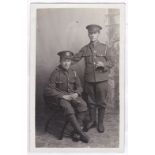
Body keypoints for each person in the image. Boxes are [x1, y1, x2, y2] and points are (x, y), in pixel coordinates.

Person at [72, 24, 113, 133]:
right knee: (90, 102)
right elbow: (75, 59)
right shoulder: (85, 49)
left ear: (98, 34)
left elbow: (112, 62)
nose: (92, 35)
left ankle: (100, 123)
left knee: (102, 102)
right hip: (89, 80)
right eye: (90, 33)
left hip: (102, 80)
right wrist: (64, 62)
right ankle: (92, 121)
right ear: (88, 34)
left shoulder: (104, 48)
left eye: (95, 33)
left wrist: (103, 64)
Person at [44, 50, 89, 143]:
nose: (66, 63)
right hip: (61, 98)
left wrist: (76, 93)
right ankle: (81, 133)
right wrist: (63, 96)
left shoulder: (74, 72)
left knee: (83, 105)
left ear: (71, 62)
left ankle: (76, 132)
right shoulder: (56, 73)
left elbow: (80, 87)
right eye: (64, 61)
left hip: (73, 96)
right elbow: (49, 89)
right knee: (69, 109)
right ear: (60, 61)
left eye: (68, 61)